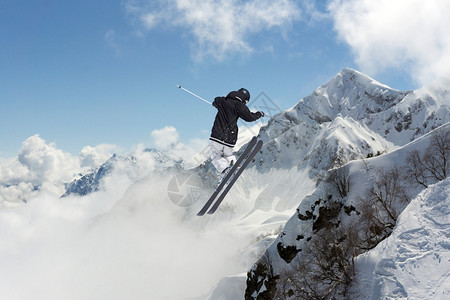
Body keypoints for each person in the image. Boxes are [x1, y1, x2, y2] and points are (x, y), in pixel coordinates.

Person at [209, 88, 264, 183]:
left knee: (215, 156)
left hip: (217, 135)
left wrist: (217, 104)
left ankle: (226, 170)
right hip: (230, 137)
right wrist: (259, 114)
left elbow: (215, 100)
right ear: (244, 99)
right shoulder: (240, 106)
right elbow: (249, 117)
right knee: (228, 154)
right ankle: (234, 166)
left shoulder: (223, 101)